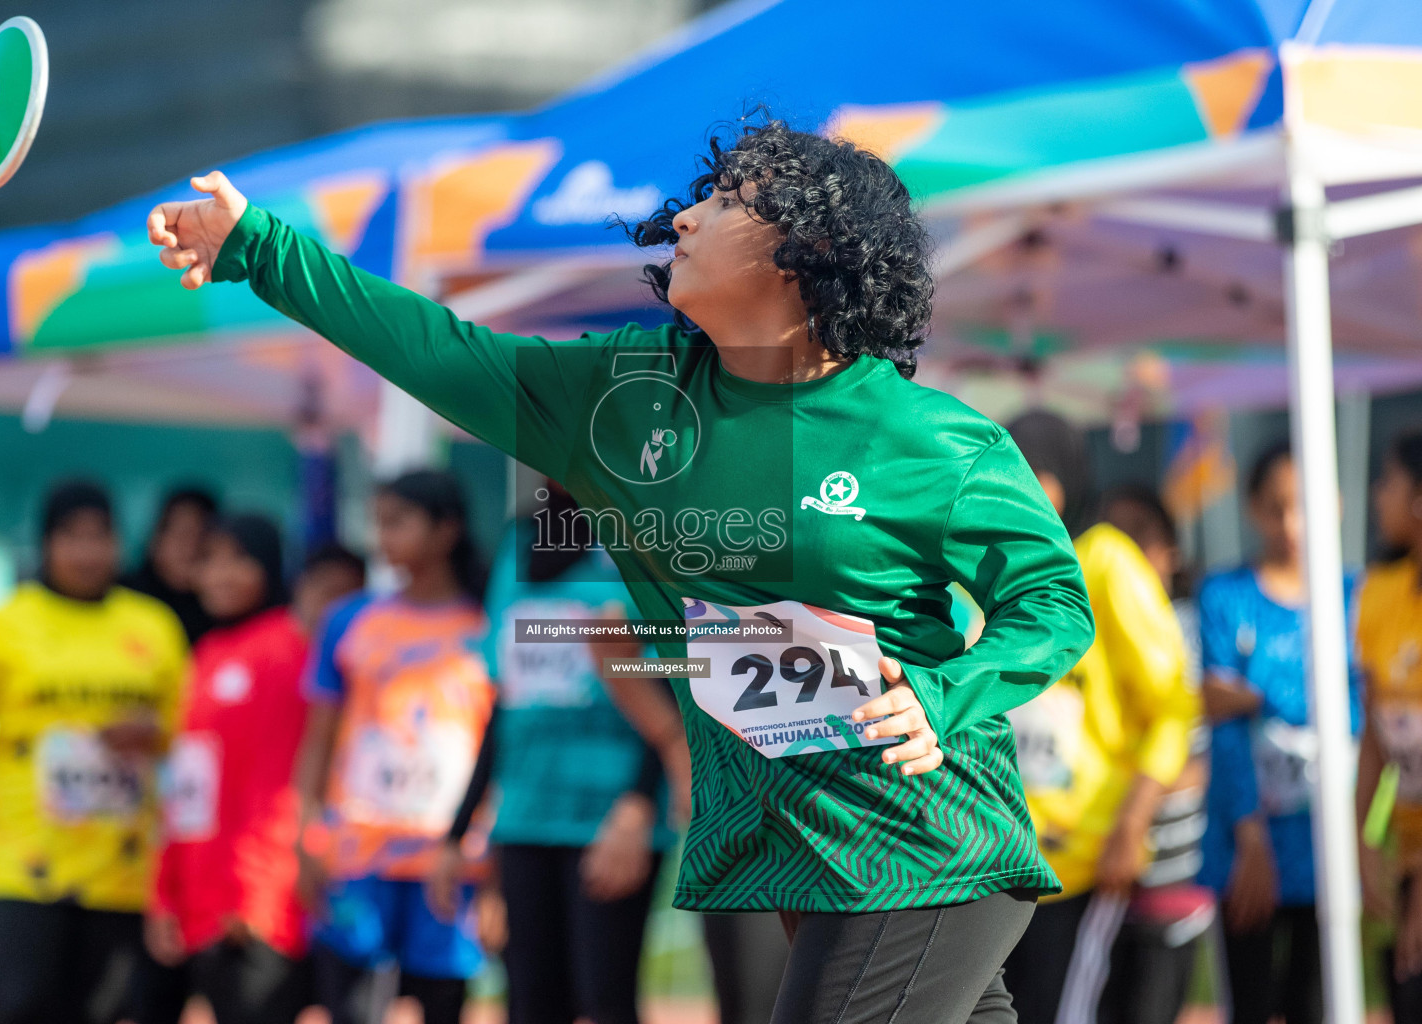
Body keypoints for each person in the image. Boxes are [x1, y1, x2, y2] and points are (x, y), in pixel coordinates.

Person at [149, 120, 1096, 1024]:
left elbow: (1052, 603)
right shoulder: (629, 398)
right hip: (804, 846)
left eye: (727, 203)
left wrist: (943, 692)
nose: (684, 216)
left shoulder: (935, 439)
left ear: (802, 252)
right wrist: (259, 247)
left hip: (921, 836)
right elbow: (438, 349)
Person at [0, 481, 188, 1024]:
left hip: (121, 864)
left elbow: (190, 729)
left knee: (103, 1009)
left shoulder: (152, 626)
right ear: (46, 543)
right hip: (26, 859)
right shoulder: (4, 624)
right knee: (24, 1004)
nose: (87, 553)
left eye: (100, 538)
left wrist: (153, 731)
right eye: (71, 538)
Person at [429, 480, 675, 1024]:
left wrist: (637, 808)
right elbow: (504, 700)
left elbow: (671, 683)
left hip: (611, 818)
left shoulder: (648, 536)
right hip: (522, 819)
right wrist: (458, 832)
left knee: (605, 1001)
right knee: (531, 1004)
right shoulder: (521, 543)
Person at [1001, 412, 1199, 1024]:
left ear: (1065, 474)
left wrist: (1131, 824)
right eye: (1007, 474)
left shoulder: (1106, 563)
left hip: (1085, 861)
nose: (1019, 490)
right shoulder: (995, 565)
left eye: (1035, 474)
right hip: (1002, 862)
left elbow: (1172, 706)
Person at [137, 516, 364, 1024]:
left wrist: (257, 898)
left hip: (262, 904)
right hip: (205, 907)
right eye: (209, 561)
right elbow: (188, 788)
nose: (220, 574)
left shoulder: (292, 648)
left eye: (237, 560)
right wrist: (166, 893)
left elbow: (290, 780)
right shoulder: (206, 655)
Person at [295, 470, 494, 1024]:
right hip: (357, 854)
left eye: (398, 523)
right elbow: (319, 739)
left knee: (443, 1006)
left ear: (446, 530)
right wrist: (304, 831)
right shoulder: (349, 620)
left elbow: (498, 741)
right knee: (352, 1007)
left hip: (451, 858)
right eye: (378, 524)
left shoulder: (486, 620)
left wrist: (493, 859)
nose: (382, 539)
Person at [1195, 441, 1360, 1024]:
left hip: (1330, 846)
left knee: (1321, 1002)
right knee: (1252, 1004)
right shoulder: (1226, 596)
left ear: (1336, 504)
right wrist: (1250, 839)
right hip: (1247, 852)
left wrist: (1257, 696)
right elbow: (1221, 726)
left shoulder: (1355, 600)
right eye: (1277, 507)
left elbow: (1359, 715)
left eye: (1306, 506)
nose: (1292, 525)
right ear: (1252, 509)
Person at [1093, 485, 1214, 1024]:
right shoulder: (1094, 632)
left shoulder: (1182, 628)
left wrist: (1132, 812)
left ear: (1169, 553)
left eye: (1135, 547)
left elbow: (1191, 761)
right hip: (1107, 864)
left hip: (1166, 867)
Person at [1357, 429, 1422, 1022]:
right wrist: (1361, 841)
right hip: (1407, 859)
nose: (1379, 495)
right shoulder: (1378, 596)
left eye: (1389, 481)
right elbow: (1373, 740)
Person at [122, 487, 219, 644]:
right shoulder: (122, 595)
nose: (189, 549)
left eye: (200, 537)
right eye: (181, 535)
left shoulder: (228, 611)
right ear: (155, 540)